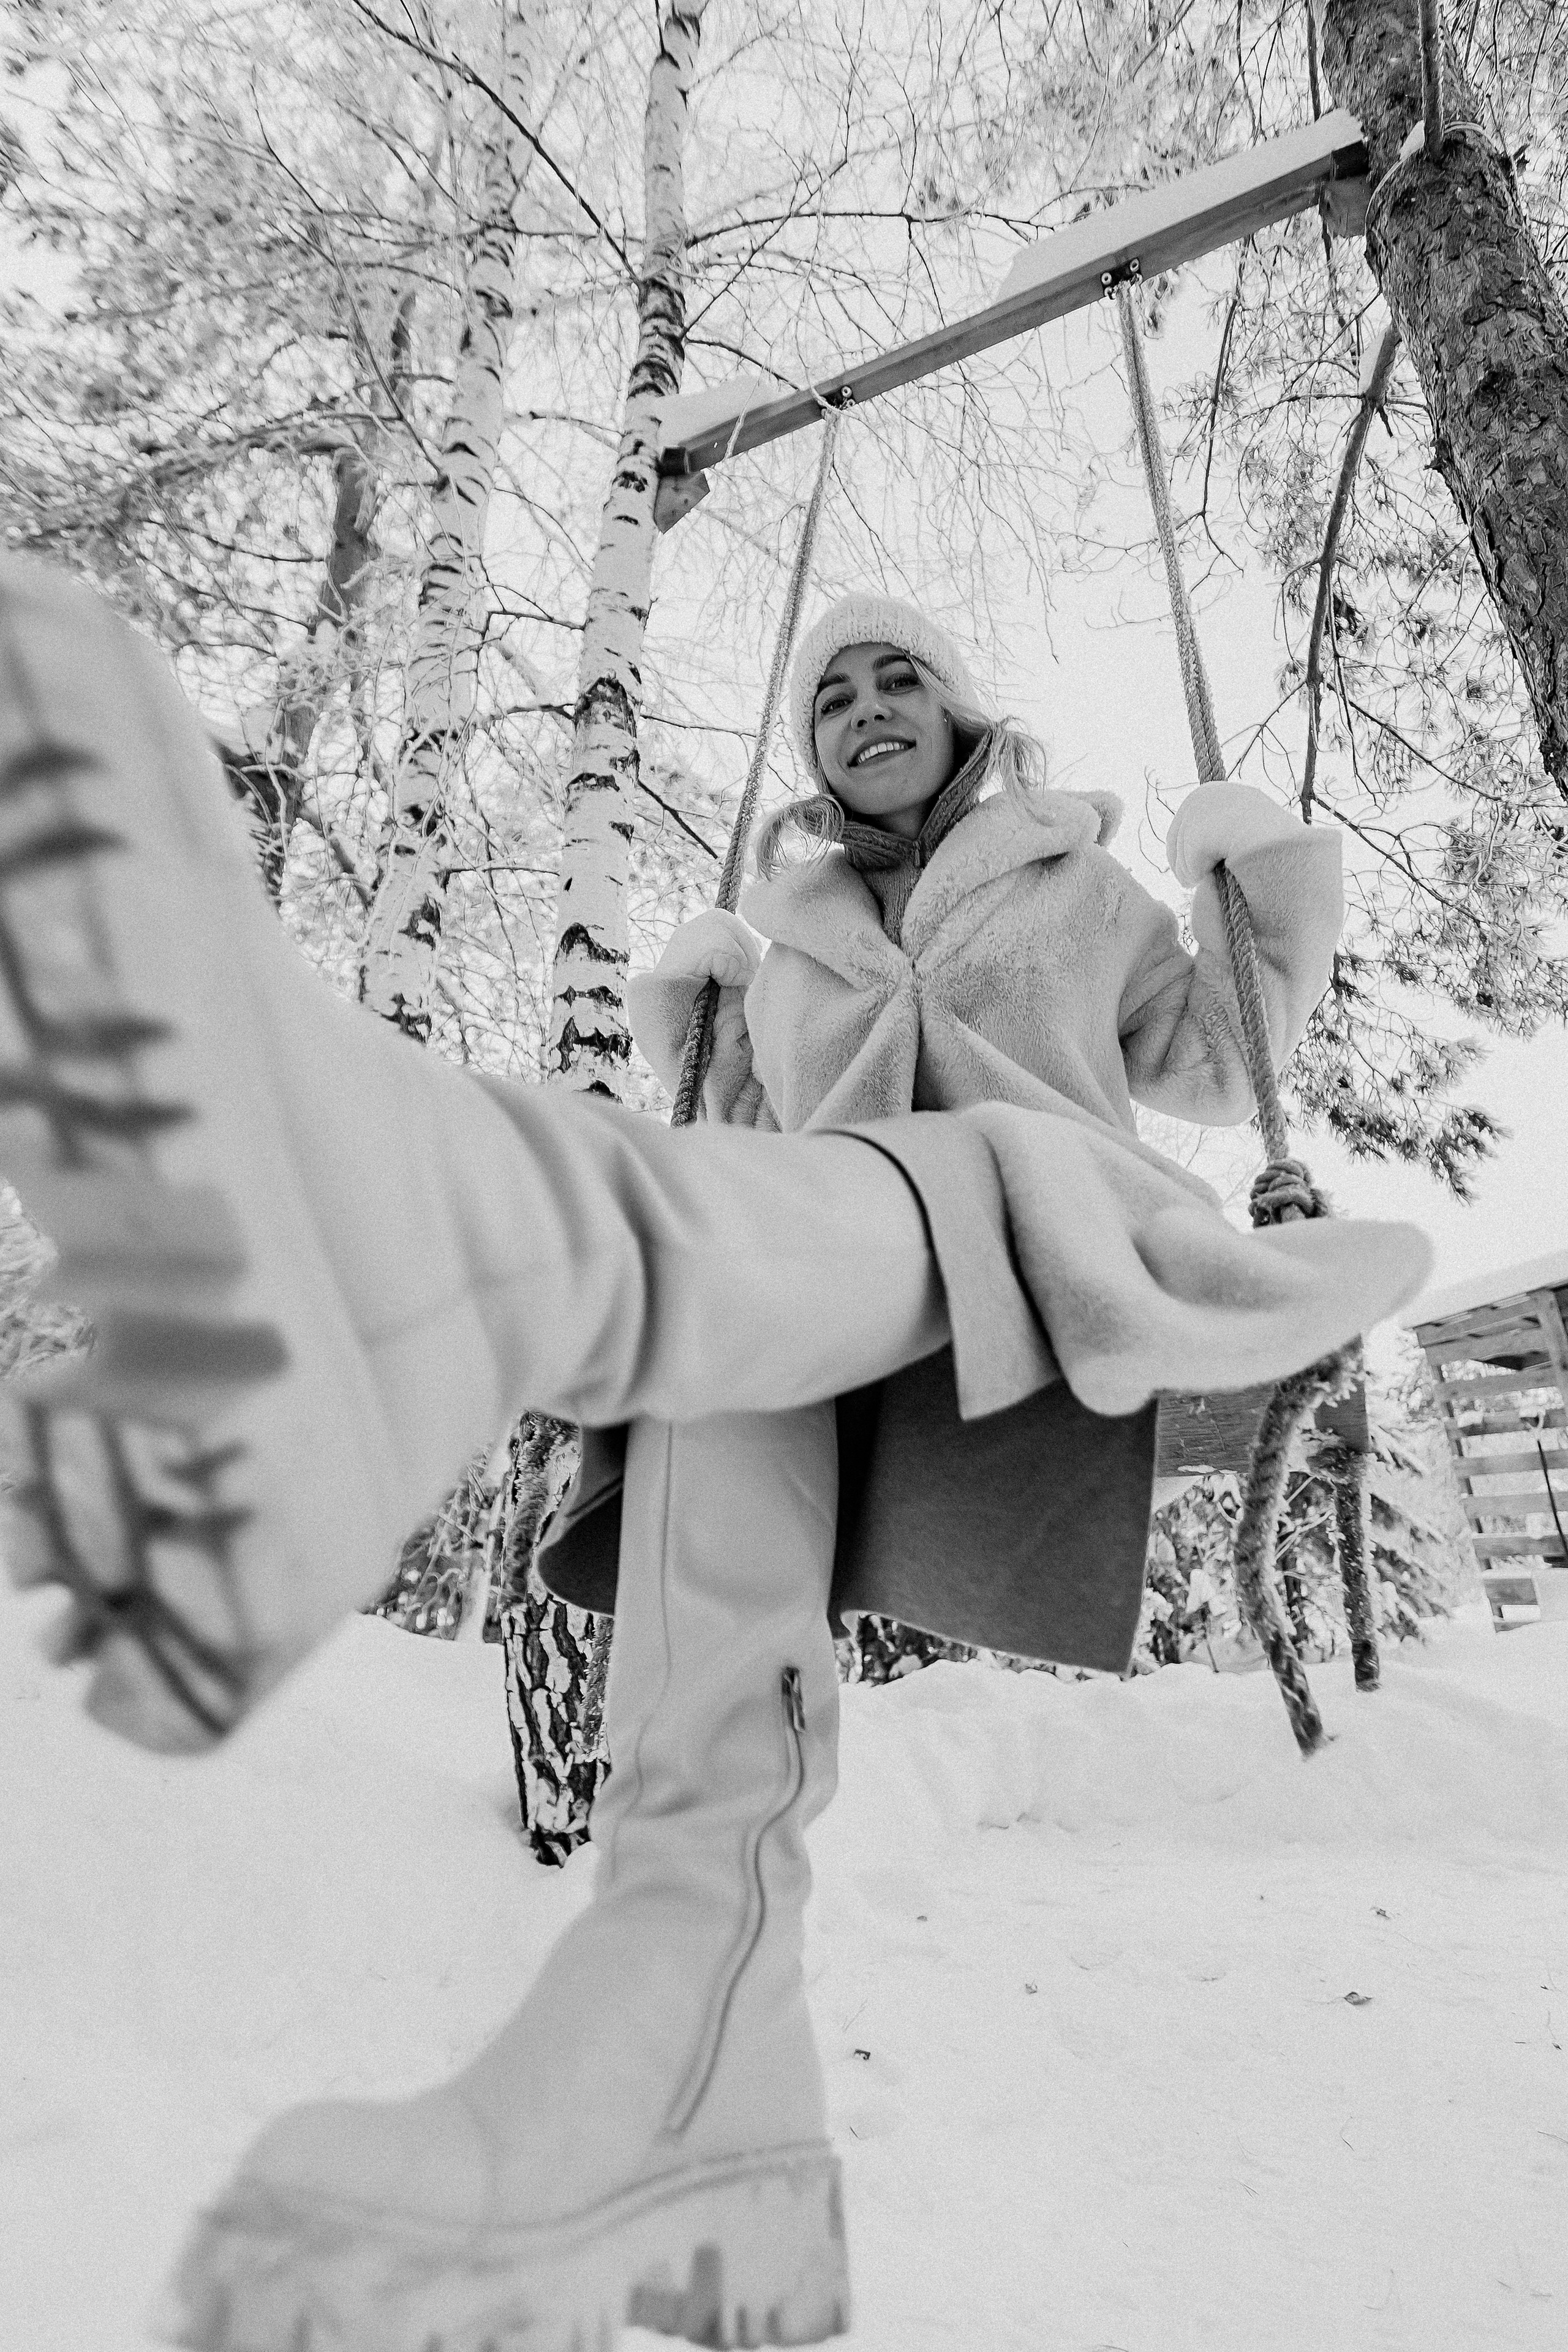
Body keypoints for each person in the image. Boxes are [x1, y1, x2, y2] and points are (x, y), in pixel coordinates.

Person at [0, 559, 1431, 2351]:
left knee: (825, 1215)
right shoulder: (795, 941)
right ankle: (683, 2083)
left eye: (898, 677)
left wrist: (1264, 898)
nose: (866, 710)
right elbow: (746, 1166)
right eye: (832, 698)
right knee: (701, 1390)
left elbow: (1219, 1058)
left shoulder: (1079, 881)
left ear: (965, 710)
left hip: (1056, 1237)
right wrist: (704, 1038)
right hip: (831, 1291)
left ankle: (427, 1245)